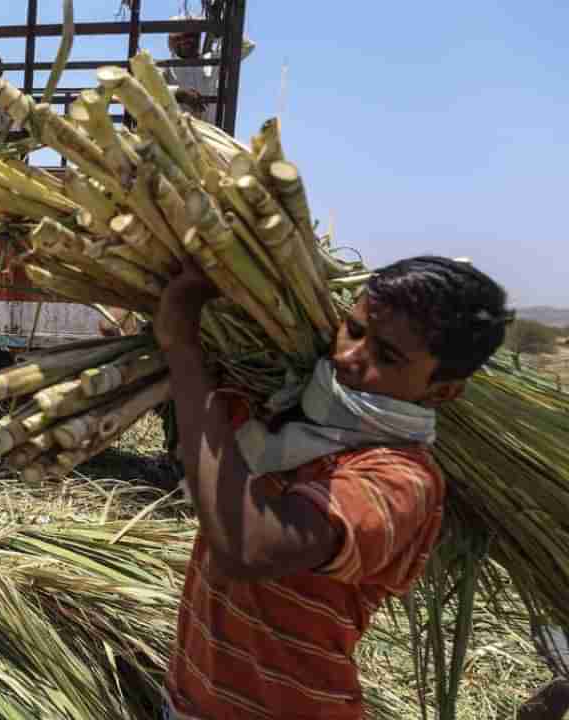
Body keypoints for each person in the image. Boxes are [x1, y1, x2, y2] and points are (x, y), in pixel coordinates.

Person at [155, 256, 509, 719]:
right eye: (354, 330)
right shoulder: (282, 409)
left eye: (387, 356)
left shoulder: (399, 479)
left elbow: (247, 550)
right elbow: (201, 430)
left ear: (442, 391)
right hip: (187, 701)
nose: (346, 356)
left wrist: (180, 344)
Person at [163, 15, 255, 123]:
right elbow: (150, 89)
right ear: (171, 43)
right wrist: (179, 93)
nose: (184, 41)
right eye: (178, 37)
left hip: (211, 134)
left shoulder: (213, 60)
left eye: (189, 35)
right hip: (180, 135)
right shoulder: (166, 67)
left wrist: (219, 32)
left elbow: (247, 46)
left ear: (198, 37)